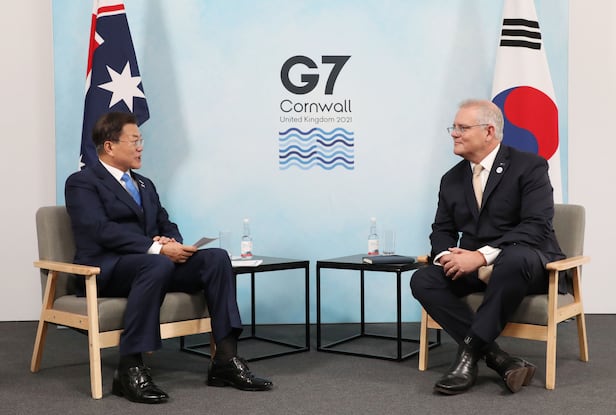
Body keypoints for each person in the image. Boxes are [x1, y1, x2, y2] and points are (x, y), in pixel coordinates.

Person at [65, 111, 273, 404]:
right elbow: (101, 230)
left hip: (153, 266)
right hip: (105, 270)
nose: (141, 147)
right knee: (157, 262)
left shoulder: (144, 184)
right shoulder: (82, 182)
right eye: (134, 141)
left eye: (141, 140)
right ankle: (130, 367)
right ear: (109, 146)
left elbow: (165, 222)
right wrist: (157, 249)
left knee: (216, 259)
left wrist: (170, 241)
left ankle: (225, 360)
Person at [410, 99, 565, 395]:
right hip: (473, 266)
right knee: (423, 279)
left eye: (462, 127)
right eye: (453, 127)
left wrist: (481, 257)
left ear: (489, 131)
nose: (454, 133)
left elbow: (536, 226)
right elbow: (442, 230)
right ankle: (499, 358)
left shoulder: (529, 166)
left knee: (513, 259)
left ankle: (468, 355)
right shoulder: (451, 179)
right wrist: (447, 257)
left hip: (526, 264)